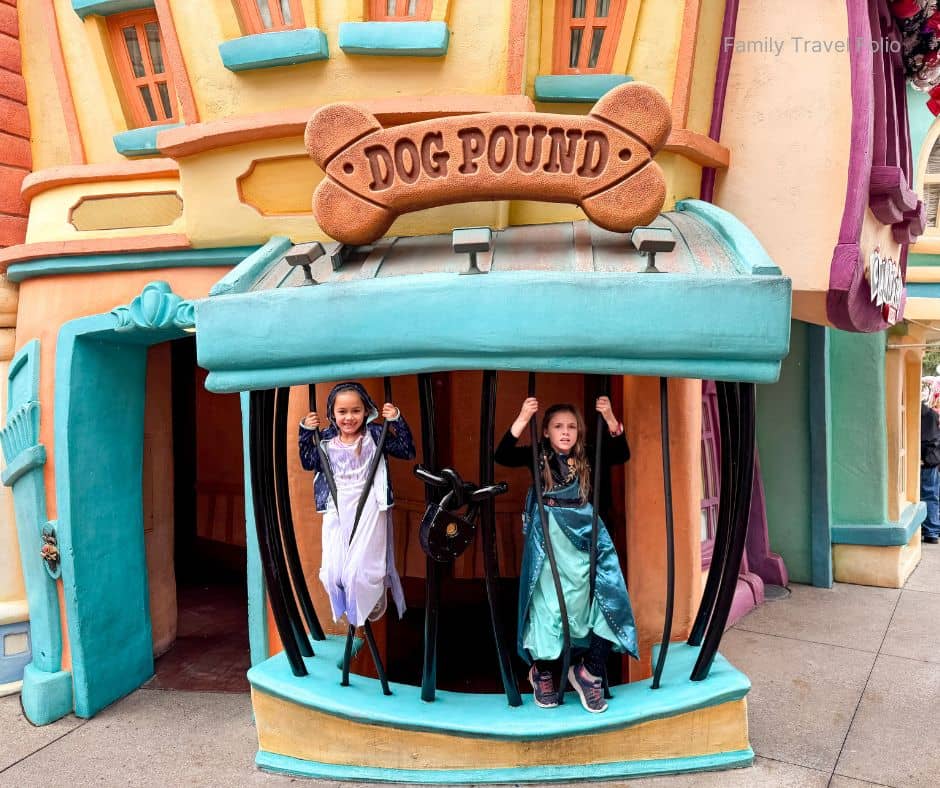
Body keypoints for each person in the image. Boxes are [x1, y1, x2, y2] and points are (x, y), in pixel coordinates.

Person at [495, 396, 638, 713]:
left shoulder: (586, 456)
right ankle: (542, 671)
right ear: (545, 432)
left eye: (571, 427)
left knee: (600, 598)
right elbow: (502, 455)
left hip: (585, 535)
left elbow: (621, 453)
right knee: (548, 605)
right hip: (550, 539)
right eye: (558, 427)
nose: (565, 432)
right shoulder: (539, 455)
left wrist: (611, 419)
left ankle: (588, 671)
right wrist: (522, 417)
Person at [299, 382, 415, 626]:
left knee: (358, 573)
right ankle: (347, 609)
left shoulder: (374, 434)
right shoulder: (327, 438)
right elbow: (309, 462)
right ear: (332, 414)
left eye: (355, 411)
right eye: (342, 412)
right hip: (336, 504)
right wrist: (305, 432)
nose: (349, 418)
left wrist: (396, 420)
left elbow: (407, 450)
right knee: (333, 573)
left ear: (366, 411)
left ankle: (364, 609)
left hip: (369, 505)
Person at [920, 397, 940, 545]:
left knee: (927, 495)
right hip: (931, 459)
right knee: (931, 495)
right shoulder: (933, 415)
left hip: (922, 459)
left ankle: (930, 530)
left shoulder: (916, 414)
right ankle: (931, 532)